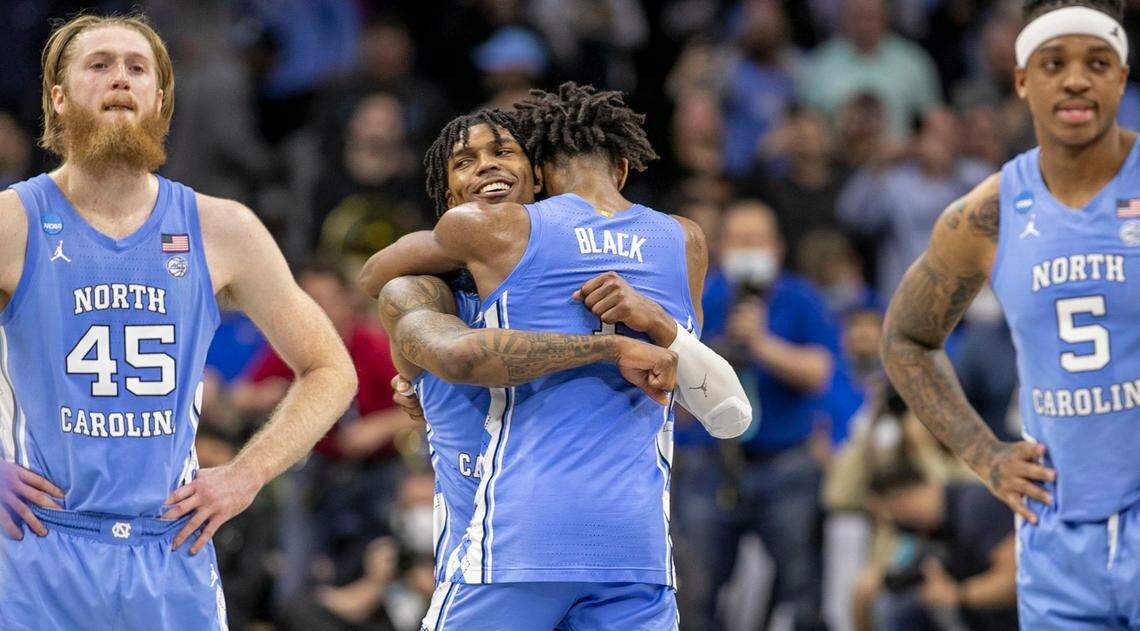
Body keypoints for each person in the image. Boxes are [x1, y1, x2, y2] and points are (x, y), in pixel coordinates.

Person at [0, 14, 357, 630]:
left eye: (137, 68)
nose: (120, 79)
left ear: (160, 101)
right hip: (37, 551)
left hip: (169, 552)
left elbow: (330, 370)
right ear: (57, 98)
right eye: (99, 64)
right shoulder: (14, 220)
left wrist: (247, 475)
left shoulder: (223, 228)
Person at [362, 82, 748, 630]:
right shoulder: (681, 239)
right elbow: (403, 305)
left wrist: (645, 331)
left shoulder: (515, 236)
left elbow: (380, 279)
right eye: (466, 162)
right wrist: (411, 375)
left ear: (538, 173)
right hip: (620, 551)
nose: (488, 169)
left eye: (503, 153)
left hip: (519, 547)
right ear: (622, 166)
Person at [881, 0, 1140, 626]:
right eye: (1055, 63)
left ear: (1121, 77)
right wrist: (985, 455)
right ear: (1023, 78)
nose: (1076, 78)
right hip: (1055, 536)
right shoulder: (988, 213)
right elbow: (906, 338)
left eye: (1097, 62)